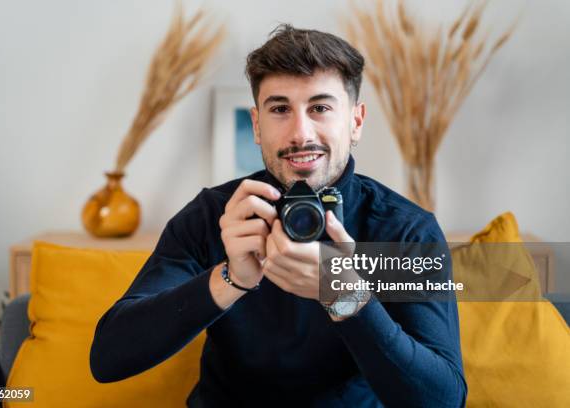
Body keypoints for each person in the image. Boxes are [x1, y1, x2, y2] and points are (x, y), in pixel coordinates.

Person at [90, 24, 467, 407]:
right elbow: (107, 359)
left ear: (355, 121)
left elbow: (442, 400)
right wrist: (230, 280)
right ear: (257, 125)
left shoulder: (403, 230)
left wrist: (346, 295)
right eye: (280, 109)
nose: (300, 133)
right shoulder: (214, 215)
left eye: (320, 108)